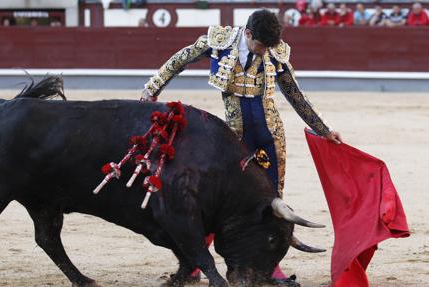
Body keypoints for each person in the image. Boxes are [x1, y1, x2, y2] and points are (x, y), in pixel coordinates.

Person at [141, 9, 342, 286]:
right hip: (234, 137)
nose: (264, 53)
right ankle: (193, 264)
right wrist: (152, 88)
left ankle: (270, 266)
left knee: (271, 201)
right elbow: (179, 60)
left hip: (270, 136)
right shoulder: (219, 41)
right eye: (260, 46)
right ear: (248, 34)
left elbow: (295, 94)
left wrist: (324, 130)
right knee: (217, 202)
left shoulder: (275, 52)